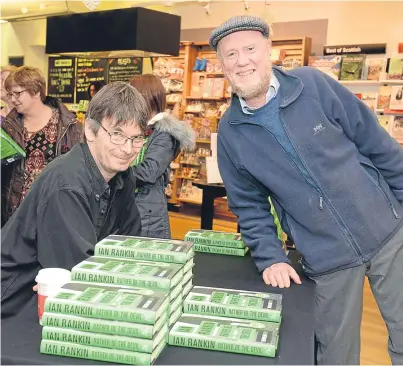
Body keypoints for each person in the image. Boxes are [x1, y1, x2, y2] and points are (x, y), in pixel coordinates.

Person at [210, 15, 403, 365]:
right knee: (335, 355)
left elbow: (375, 141)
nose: (242, 60)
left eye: (250, 48)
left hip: (387, 230)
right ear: (222, 65)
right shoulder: (231, 132)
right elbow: (248, 204)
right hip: (325, 256)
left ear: (269, 50)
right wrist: (270, 256)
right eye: (231, 54)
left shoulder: (313, 85)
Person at [1, 81, 148, 318]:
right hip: (15, 304)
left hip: (51, 299)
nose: (128, 149)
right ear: (90, 130)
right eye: (118, 135)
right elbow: (77, 272)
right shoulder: (66, 185)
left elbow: (129, 245)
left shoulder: (122, 173)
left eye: (137, 138)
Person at [1, 66, 80, 226]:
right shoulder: (9, 125)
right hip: (15, 211)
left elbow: (77, 168)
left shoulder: (66, 126)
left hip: (53, 208)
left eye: (18, 93)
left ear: (36, 91)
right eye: (10, 94)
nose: (13, 99)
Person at [129, 74, 195, 238]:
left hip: (148, 215)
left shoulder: (164, 133)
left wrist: (114, 172)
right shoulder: (139, 128)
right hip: (134, 209)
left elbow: (150, 171)